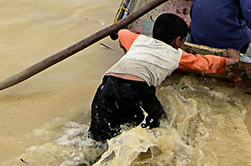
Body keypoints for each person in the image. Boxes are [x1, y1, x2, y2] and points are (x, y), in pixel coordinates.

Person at [88, 13, 238, 143]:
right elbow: (205, 64)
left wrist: (117, 33)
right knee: (161, 126)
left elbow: (121, 34)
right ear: (178, 41)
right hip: (137, 90)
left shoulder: (137, 40)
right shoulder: (176, 54)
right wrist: (230, 60)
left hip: (107, 85)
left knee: (98, 138)